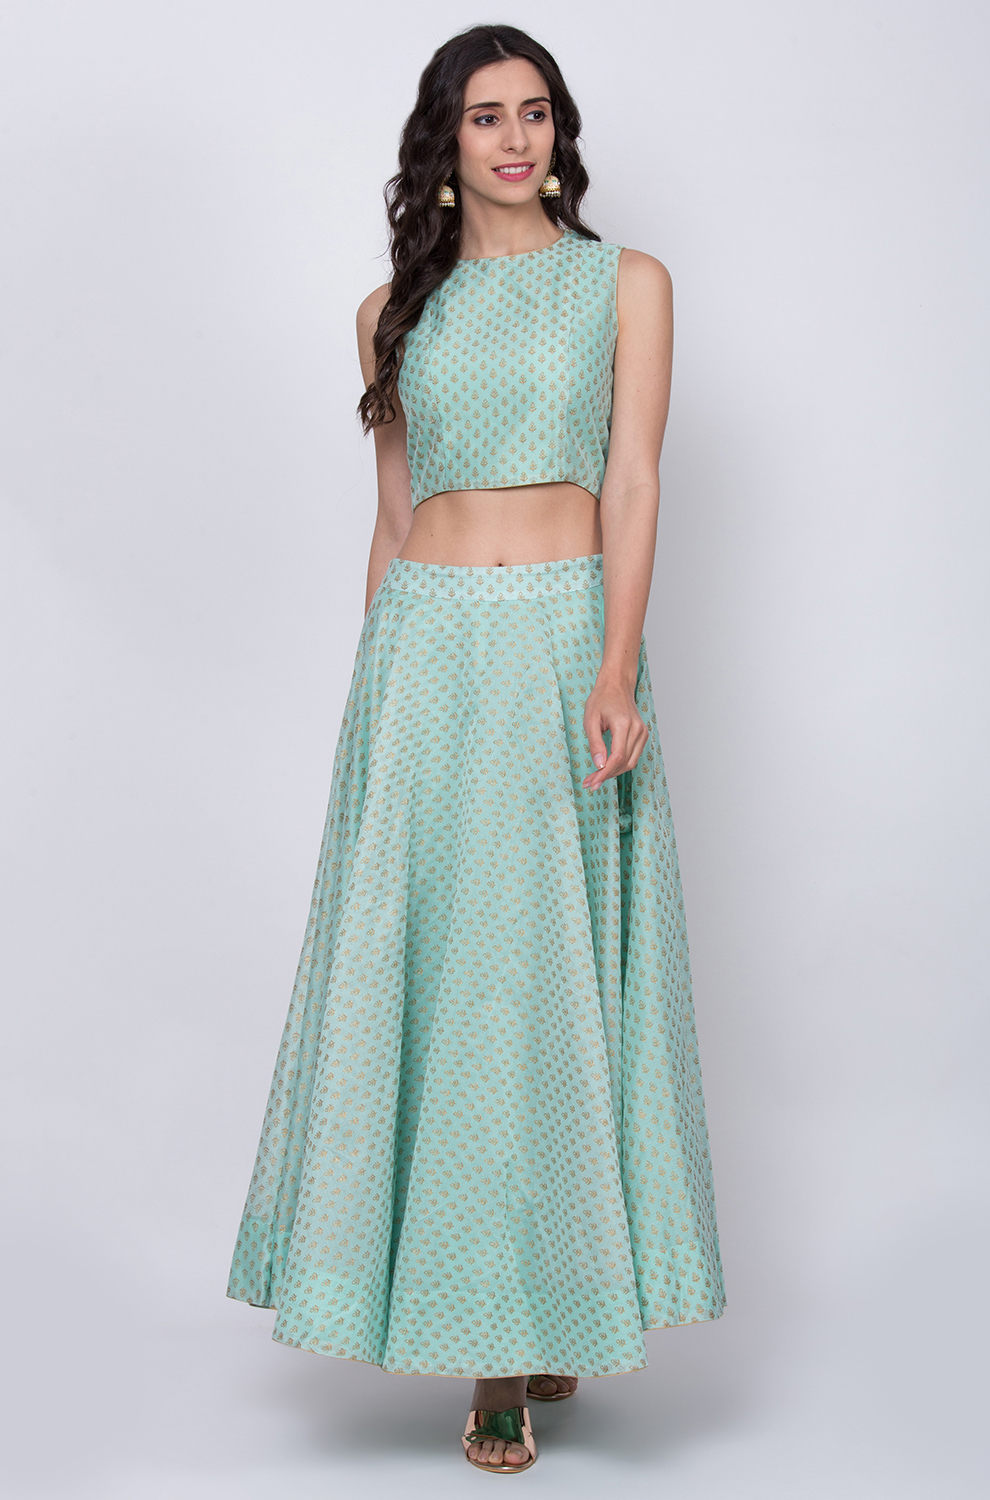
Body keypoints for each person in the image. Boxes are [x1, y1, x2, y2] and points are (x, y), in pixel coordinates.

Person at [228, 23, 725, 1475]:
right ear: (444, 143)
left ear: (561, 134)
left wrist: (618, 662)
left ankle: (545, 1309)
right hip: (429, 660)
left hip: (564, 645)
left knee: (544, 991)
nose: (516, 138)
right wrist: (370, 695)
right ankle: (490, 1354)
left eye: (536, 112)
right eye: (486, 116)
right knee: (455, 985)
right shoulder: (392, 312)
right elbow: (393, 517)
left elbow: (633, 479)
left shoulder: (627, 285)